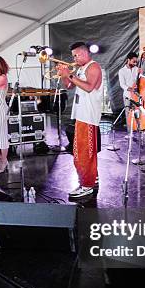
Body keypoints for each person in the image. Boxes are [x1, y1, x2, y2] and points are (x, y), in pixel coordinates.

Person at [57, 42, 104, 198]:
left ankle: (87, 185)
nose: (74, 58)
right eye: (73, 56)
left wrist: (69, 74)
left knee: (84, 153)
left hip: (88, 116)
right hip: (80, 114)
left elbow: (89, 87)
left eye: (76, 55)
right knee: (84, 151)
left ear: (84, 53)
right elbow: (70, 86)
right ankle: (93, 178)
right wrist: (65, 76)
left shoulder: (94, 67)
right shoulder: (81, 68)